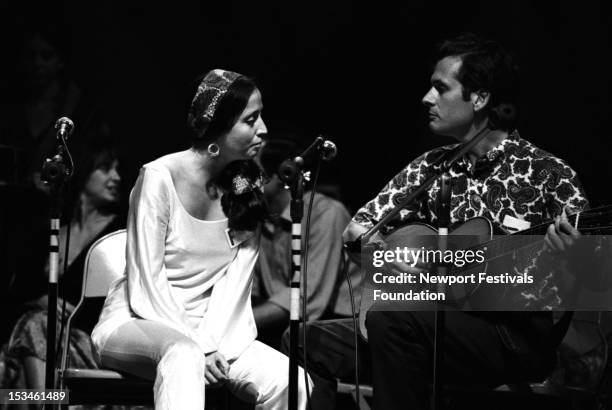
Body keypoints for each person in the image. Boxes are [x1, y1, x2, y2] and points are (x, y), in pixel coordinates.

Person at [343, 34, 589, 409]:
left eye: (441, 88)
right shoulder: (430, 167)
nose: (427, 98)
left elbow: (591, 280)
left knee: (391, 321)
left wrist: (574, 258)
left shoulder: (547, 174)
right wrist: (385, 260)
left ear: (479, 98)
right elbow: (357, 229)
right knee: (306, 341)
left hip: (512, 335)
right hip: (431, 321)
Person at [90, 69, 310, 410]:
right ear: (218, 128)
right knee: (183, 355)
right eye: (251, 119)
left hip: (214, 333)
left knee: (294, 383)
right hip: (137, 322)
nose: (263, 129)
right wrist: (199, 345)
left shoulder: (244, 186)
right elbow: (146, 281)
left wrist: (213, 344)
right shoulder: (159, 177)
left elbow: (234, 286)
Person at [1, 135, 124, 398]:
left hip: (88, 340)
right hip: (43, 336)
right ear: (82, 171)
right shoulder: (52, 230)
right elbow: (16, 294)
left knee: (33, 333)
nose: (116, 177)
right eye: (105, 168)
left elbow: (122, 299)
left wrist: (72, 313)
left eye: (116, 169)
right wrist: (45, 301)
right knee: (27, 342)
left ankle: (47, 403)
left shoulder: (119, 232)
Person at [252, 136, 361, 349]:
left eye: (251, 174)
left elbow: (306, 297)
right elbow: (251, 289)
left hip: (339, 321)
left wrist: (240, 325)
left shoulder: (327, 214)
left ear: (280, 176)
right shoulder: (259, 218)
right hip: (287, 319)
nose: (241, 181)